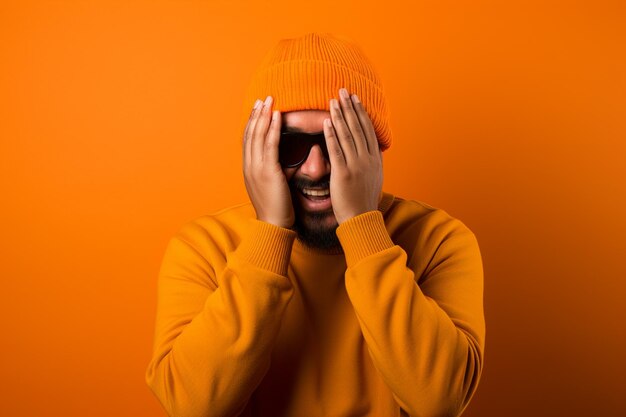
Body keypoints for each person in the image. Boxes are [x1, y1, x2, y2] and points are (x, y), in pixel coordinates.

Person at [146, 32, 485, 417]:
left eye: (339, 141)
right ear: (257, 150)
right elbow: (194, 407)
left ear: (375, 149)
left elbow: (439, 402)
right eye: (290, 146)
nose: (316, 167)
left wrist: (361, 225)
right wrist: (270, 231)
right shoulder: (204, 247)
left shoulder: (439, 241)